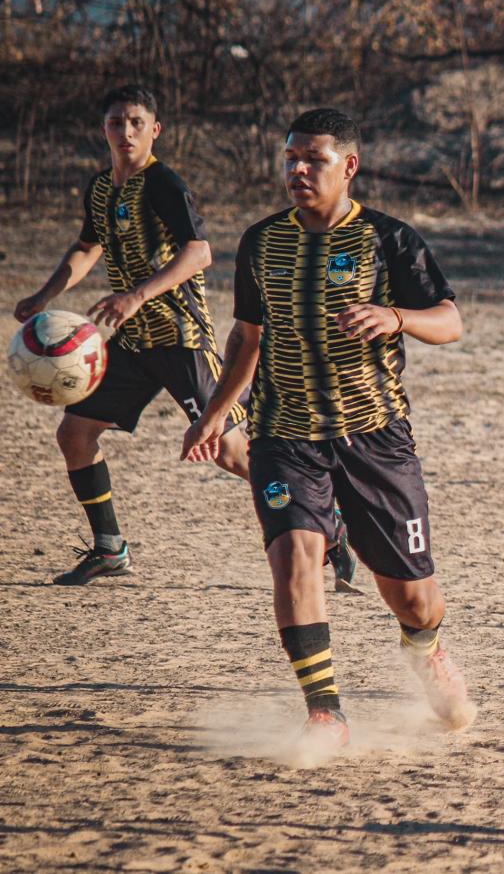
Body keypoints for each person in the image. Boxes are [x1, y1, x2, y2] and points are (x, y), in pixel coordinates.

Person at [181, 108, 474, 745]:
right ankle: (325, 712)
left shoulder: (388, 240)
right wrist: (214, 415)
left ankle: (425, 652)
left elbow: (450, 320)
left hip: (374, 436)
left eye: (312, 160)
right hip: (282, 434)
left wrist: (396, 316)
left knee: (415, 599)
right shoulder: (261, 242)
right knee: (294, 558)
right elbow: (247, 337)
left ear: (350, 166)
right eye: (290, 158)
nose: (297, 171)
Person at [12, 85, 360, 587]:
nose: (125, 132)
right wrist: (45, 294)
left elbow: (200, 252)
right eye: (115, 122)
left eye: (136, 122)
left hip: (180, 338)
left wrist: (135, 296)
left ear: (155, 130)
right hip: (132, 344)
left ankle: (332, 527)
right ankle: (110, 549)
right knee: (74, 433)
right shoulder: (101, 188)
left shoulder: (164, 185)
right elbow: (88, 246)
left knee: (232, 453)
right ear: (104, 129)